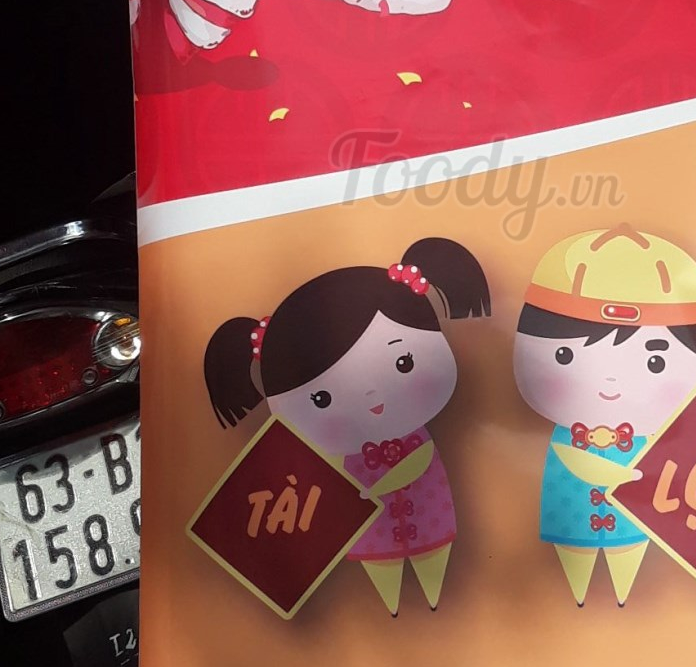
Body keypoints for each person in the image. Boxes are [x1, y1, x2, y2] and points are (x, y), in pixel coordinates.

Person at [204, 238, 490, 615]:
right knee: (380, 569)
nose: (372, 397)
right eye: (321, 398)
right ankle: (393, 610)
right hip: (360, 512)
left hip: (428, 503)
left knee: (434, 553)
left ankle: (433, 601)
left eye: (403, 361)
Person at [513, 225, 696, 605]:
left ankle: (622, 595)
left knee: (632, 539)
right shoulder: (563, 438)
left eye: (655, 361)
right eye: (565, 355)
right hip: (567, 476)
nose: (611, 381)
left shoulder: (657, 438)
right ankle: (579, 597)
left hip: (638, 476)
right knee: (571, 541)